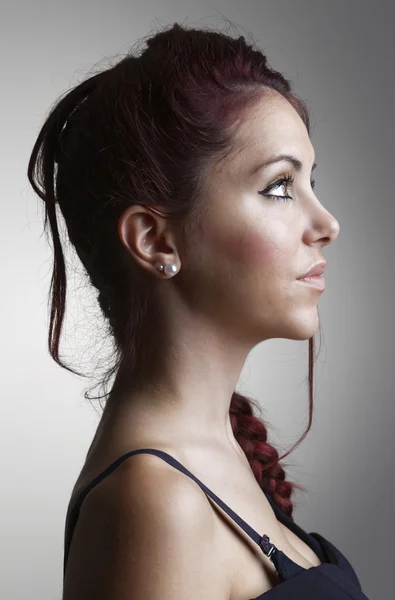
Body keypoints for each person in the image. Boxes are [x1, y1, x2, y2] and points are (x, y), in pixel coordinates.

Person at [28, 21, 370, 600]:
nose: (327, 224)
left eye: (312, 181)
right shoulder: (157, 503)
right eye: (281, 186)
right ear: (155, 240)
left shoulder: (213, 460)